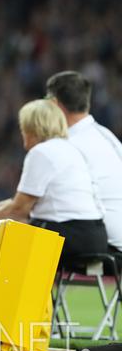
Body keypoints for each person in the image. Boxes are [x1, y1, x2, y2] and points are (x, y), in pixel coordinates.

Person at [0, 99, 107, 267]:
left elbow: (19, 209)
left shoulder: (41, 152)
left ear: (32, 128)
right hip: (96, 236)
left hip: (70, 235)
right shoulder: (72, 150)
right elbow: (25, 204)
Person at [46, 71, 122, 253]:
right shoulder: (107, 136)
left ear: (55, 104)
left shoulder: (67, 145)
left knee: (15, 233)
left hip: (102, 240)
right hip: (117, 236)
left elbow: (44, 202)